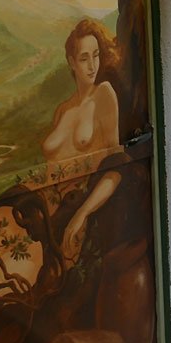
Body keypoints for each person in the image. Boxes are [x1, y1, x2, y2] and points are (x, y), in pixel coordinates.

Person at [42, 18, 123, 266]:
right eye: (84, 58)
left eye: (96, 56)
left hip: (73, 206)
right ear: (71, 62)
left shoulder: (103, 94)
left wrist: (83, 213)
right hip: (41, 205)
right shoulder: (62, 109)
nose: (92, 65)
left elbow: (116, 167)